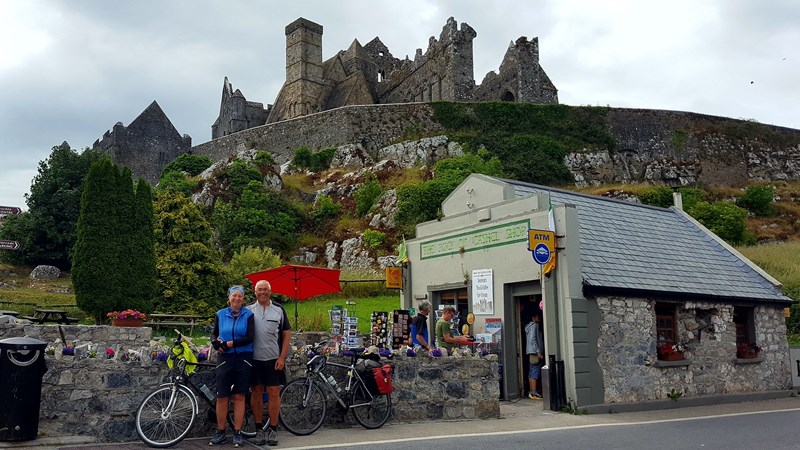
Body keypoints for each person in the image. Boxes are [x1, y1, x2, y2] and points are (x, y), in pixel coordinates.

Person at [247, 280, 291, 447]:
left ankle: (273, 429)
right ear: (255, 292)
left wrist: (282, 358)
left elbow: (286, 334)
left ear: (270, 292)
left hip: (273, 359)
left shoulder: (279, 309)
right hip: (254, 359)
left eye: (265, 290)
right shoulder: (249, 310)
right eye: (259, 290)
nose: (262, 292)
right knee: (256, 393)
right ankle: (259, 429)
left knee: (274, 394)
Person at [210, 285, 255, 447]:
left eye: (240, 296)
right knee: (222, 396)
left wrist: (231, 343)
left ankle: (237, 432)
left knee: (239, 396)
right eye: (234, 296)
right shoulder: (220, 314)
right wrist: (216, 343)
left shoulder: (249, 315)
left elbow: (250, 337)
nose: (237, 299)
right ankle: (221, 431)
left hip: (243, 357)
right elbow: (215, 334)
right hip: (225, 358)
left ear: (243, 299)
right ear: (229, 298)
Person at [525, 312, 544, 400]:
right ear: (533, 317)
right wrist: (538, 352)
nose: (539, 317)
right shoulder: (535, 326)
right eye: (537, 316)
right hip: (535, 352)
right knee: (535, 372)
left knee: (532, 371)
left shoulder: (528, 327)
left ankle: (532, 391)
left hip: (530, 352)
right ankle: (534, 392)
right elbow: (533, 339)